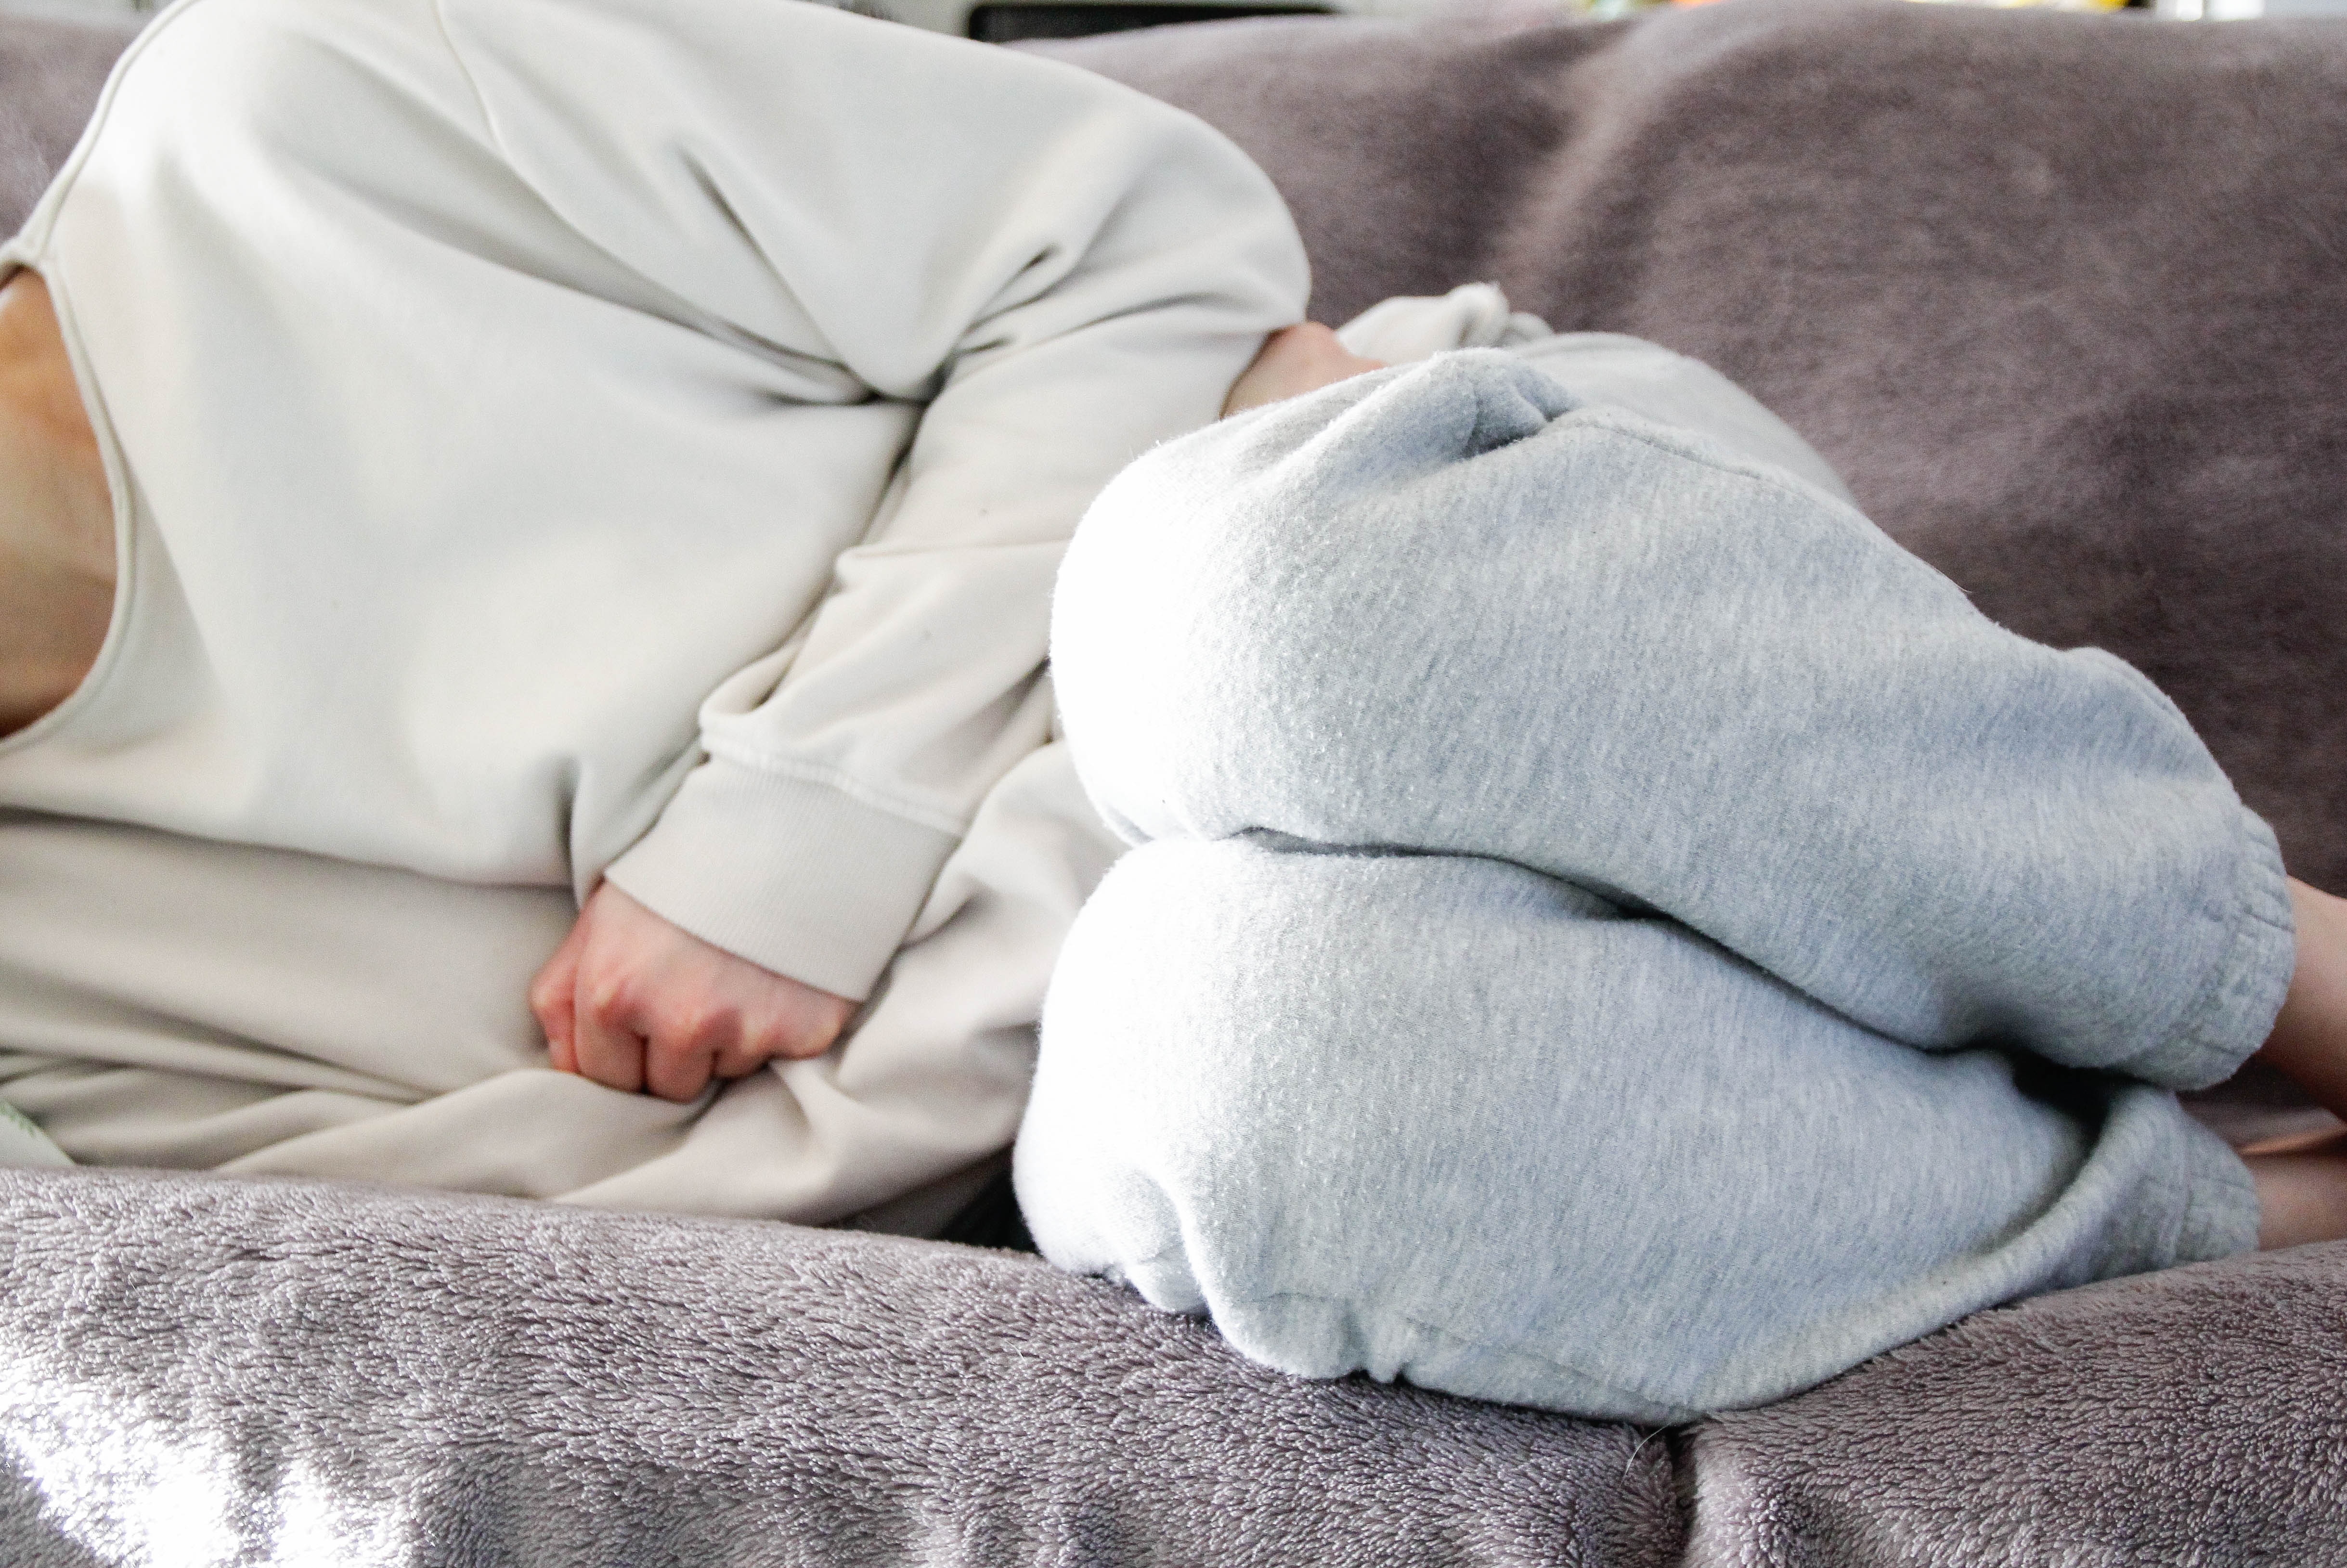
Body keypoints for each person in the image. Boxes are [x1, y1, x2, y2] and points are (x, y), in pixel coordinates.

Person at [0, 0, 1305, 1226]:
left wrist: (801, 828)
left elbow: (1144, 250)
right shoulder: (41, 998)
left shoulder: (300, 93)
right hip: (1181, 1037)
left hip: (1324, 567)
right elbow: (769, 1205)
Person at [1011, 297, 2347, 1422]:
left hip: (1313, 561)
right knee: (1281, 1105)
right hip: (1063, 975)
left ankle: (2274, 963)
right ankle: (2231, 1205)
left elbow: (1146, 258)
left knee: (1270, 596)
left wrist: (836, 847)